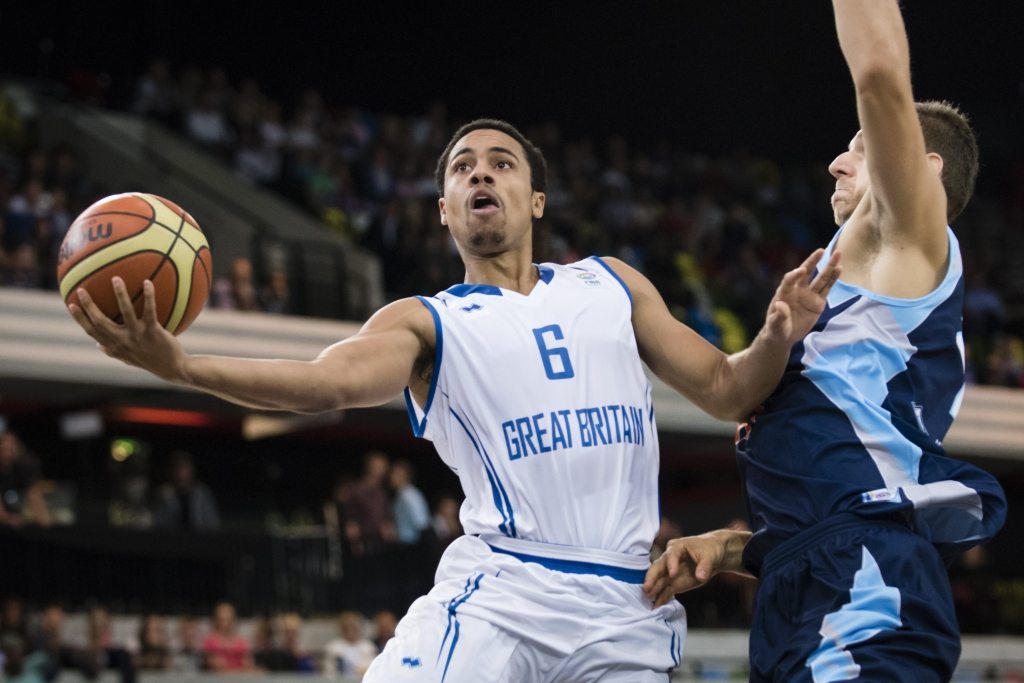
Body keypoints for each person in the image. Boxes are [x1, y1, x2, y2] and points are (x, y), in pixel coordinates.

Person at [68, 118, 839, 681]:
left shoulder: (611, 284)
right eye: (462, 168)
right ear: (443, 209)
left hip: (624, 604)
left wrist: (776, 334)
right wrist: (184, 365)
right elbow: (325, 382)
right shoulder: (427, 322)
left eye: (501, 164)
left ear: (536, 200)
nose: (480, 175)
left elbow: (727, 389)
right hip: (503, 592)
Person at [644, 3, 1007, 681]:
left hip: (863, 580)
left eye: (861, 148)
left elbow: (879, 74)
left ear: (921, 168)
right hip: (806, 576)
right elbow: (841, 486)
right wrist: (731, 547)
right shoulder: (854, 299)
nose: (837, 163)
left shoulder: (909, 241)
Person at [0, 427, 53, 527]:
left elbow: (34, 493)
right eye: (4, 448)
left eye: (12, 448)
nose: (9, 452)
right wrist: (7, 518)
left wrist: (45, 520)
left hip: (16, 512)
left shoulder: (24, 464)